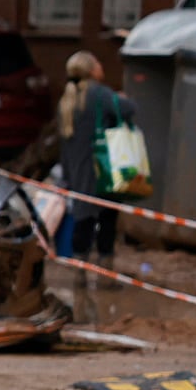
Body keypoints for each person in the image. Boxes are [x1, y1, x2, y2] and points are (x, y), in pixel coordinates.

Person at [57, 51, 135, 268]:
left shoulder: (67, 99)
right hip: (104, 168)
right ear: (92, 70)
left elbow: (63, 142)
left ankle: (79, 274)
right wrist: (122, 99)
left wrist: (66, 175)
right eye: (98, 62)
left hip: (77, 170)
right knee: (107, 220)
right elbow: (129, 109)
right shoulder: (99, 94)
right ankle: (105, 272)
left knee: (83, 219)